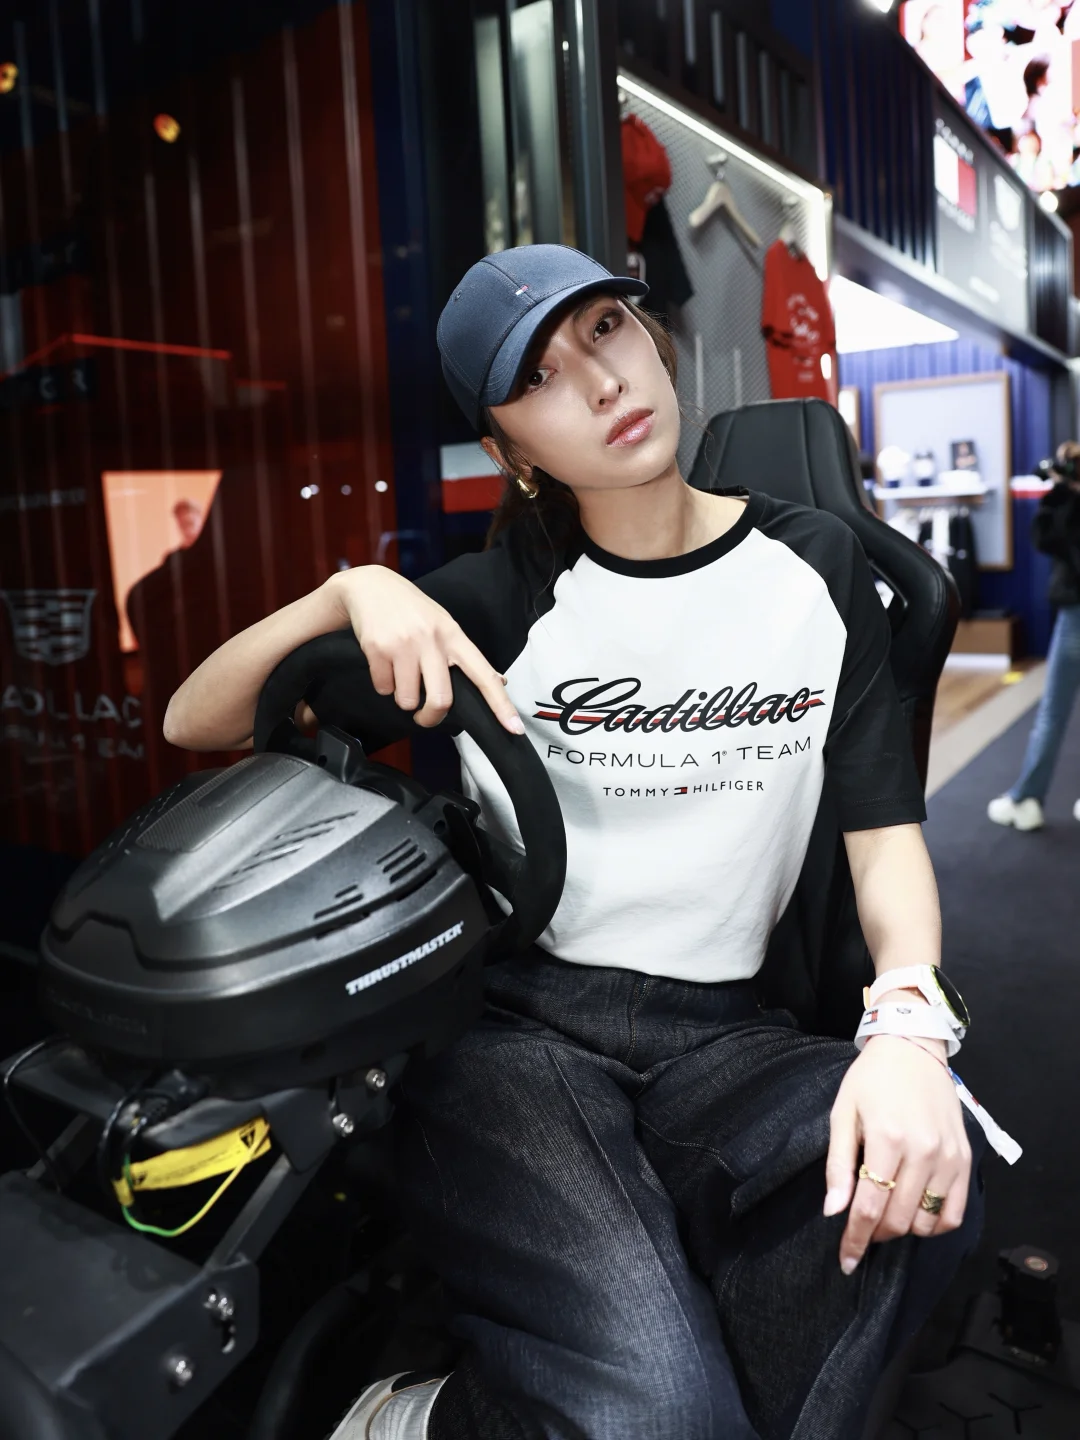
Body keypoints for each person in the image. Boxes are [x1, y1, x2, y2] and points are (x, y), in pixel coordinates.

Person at [164, 246, 993, 1440]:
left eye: (605, 330)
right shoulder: (490, 603)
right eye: (540, 379)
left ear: (652, 339)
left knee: (919, 1172)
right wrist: (347, 593)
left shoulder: (817, 566)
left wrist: (909, 1027)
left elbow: (883, 839)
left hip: (729, 1036)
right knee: (659, 1409)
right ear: (511, 451)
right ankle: (417, 1420)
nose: (601, 382)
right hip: (519, 1040)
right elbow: (193, 721)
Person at [988, 440, 1080, 831]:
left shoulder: (1068, 506)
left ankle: (1026, 798)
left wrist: (1063, 494)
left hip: (1076, 614)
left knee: (1053, 712)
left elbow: (1048, 538)